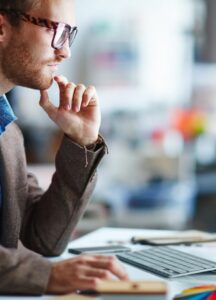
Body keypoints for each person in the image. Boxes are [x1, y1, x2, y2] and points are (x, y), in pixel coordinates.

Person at [0, 0, 129, 295]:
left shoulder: (8, 132)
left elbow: (41, 241)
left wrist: (82, 141)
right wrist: (45, 275)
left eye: (69, 34)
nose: (66, 51)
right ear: (2, 27)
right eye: (56, 30)